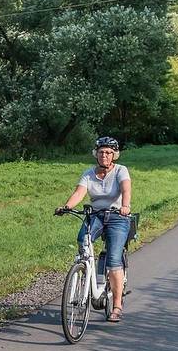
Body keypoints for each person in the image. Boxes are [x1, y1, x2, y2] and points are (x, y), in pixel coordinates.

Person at [55, 135, 132, 322]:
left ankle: (117, 305)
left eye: (108, 153)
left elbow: (125, 189)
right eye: (101, 152)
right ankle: (85, 269)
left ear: (114, 155)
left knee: (114, 259)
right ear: (95, 154)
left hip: (117, 217)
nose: (104, 156)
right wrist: (67, 206)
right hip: (96, 215)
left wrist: (126, 206)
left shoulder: (121, 170)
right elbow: (79, 192)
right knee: (83, 240)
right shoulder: (88, 173)